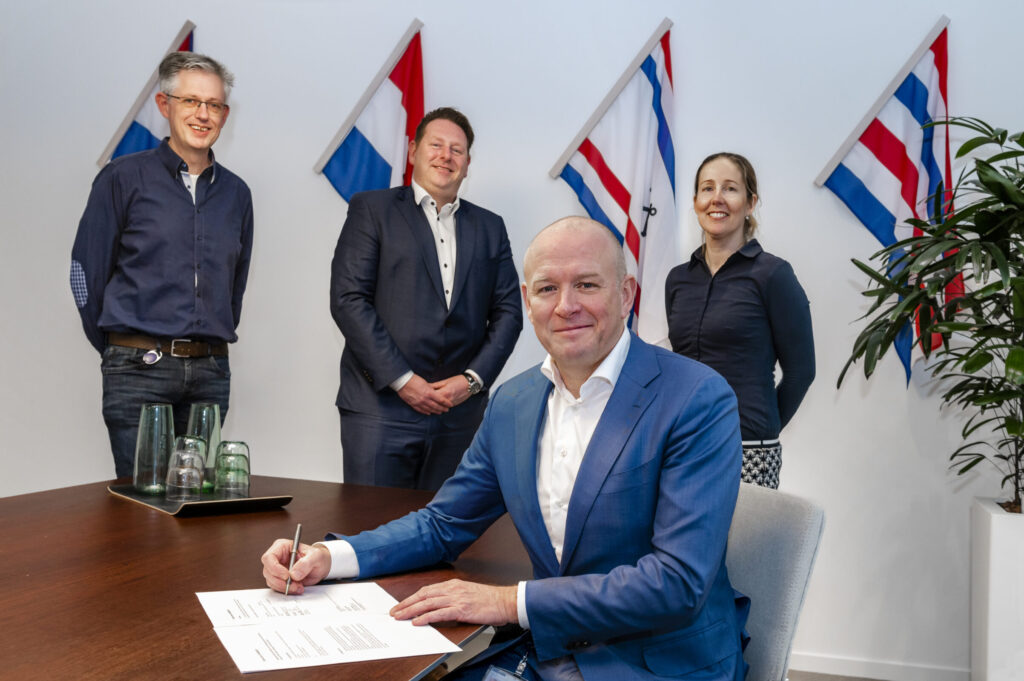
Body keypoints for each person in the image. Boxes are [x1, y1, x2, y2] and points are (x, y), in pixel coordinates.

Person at [266, 217, 749, 681]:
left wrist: (508, 602)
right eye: (546, 289)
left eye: (586, 284)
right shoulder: (513, 403)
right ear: (527, 300)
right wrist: (331, 557)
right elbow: (443, 524)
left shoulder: (696, 398)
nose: (565, 306)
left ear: (625, 295)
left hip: (656, 662)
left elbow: (678, 582)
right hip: (547, 651)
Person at [71, 52, 253, 477]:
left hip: (210, 373)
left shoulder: (237, 194)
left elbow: (234, 286)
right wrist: (121, 347)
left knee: (198, 505)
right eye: (191, 101)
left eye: (214, 105)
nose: (203, 114)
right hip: (138, 370)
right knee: (145, 509)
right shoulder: (122, 178)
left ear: (225, 114)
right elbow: (85, 274)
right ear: (164, 105)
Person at [330, 107, 522, 491]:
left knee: (447, 537)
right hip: (380, 410)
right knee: (372, 533)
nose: (445, 156)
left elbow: (509, 313)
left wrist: (470, 382)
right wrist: (404, 381)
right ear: (414, 151)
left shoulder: (490, 227)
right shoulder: (372, 210)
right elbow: (349, 299)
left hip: (458, 415)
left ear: (467, 164)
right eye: (436, 145)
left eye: (457, 150)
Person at [665, 152, 814, 489]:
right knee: (683, 543)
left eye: (730, 189)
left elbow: (802, 372)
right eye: (707, 188)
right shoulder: (677, 280)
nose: (717, 198)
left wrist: (763, 426)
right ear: (696, 202)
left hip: (747, 449)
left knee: (740, 544)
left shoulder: (773, 274)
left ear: (750, 203)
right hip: (683, 446)